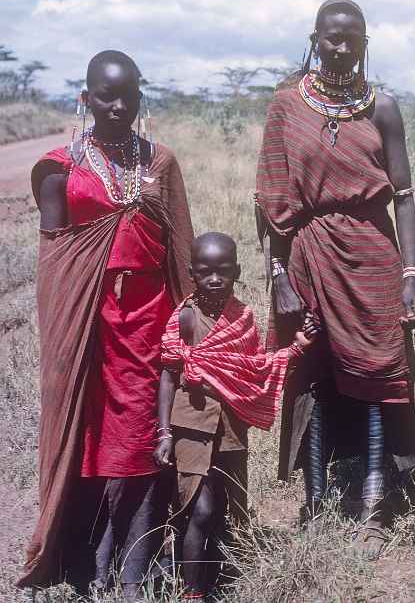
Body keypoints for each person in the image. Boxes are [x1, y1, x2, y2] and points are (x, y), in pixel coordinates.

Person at [21, 50, 194, 600]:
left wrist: (191, 321)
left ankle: (135, 566)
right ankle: (90, 558)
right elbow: (57, 271)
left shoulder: (160, 163)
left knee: (146, 436)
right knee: (93, 438)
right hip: (91, 326)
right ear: (85, 98)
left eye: (130, 95)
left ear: (143, 94)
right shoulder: (59, 170)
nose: (119, 106)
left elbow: (181, 250)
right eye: (105, 96)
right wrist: (67, 341)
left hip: (151, 323)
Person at [255, 0, 415, 556]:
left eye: (353, 37)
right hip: (307, 254)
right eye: (333, 37)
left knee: (378, 375)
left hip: (372, 257)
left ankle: (374, 508)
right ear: (316, 38)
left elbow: (402, 197)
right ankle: (316, 499)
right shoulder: (285, 106)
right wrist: (277, 272)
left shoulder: (384, 109)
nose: (342, 47)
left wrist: (410, 274)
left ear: (366, 42)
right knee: (314, 373)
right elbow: (271, 199)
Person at [155, 232, 318, 599]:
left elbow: (254, 369)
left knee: (226, 507)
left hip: (231, 428)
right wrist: (164, 433)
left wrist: (297, 349)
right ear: (192, 273)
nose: (215, 279)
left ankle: (219, 577)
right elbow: (167, 374)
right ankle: (192, 593)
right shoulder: (184, 318)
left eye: (223, 271)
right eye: (205, 271)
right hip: (191, 425)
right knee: (199, 508)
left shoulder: (242, 317)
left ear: (237, 271)